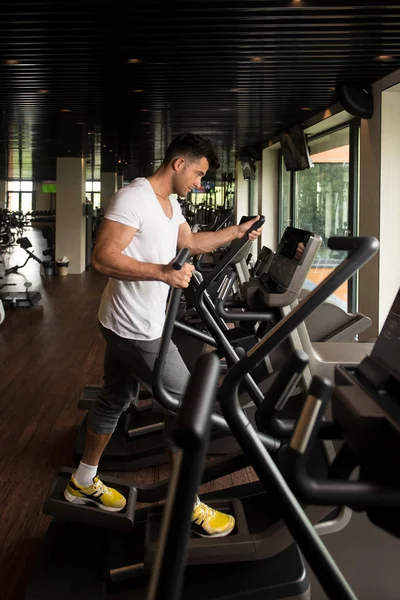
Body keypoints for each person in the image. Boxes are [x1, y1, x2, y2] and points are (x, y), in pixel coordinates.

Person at [64, 132, 263, 538]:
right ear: (178, 164)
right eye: (198, 174)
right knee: (189, 405)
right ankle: (184, 504)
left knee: (116, 396)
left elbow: (191, 241)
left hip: (128, 321)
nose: (199, 183)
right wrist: (163, 272)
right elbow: (102, 257)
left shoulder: (169, 205)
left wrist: (236, 233)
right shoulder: (133, 199)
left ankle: (82, 481)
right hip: (138, 328)